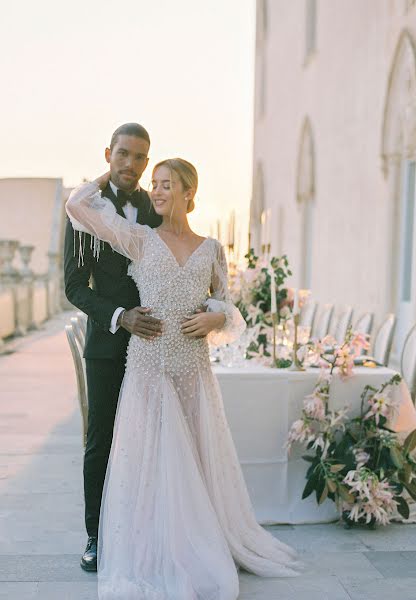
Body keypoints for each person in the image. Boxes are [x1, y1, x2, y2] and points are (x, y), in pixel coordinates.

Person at [66, 158, 302, 599]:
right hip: (148, 367)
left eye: (166, 185)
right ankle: (153, 544)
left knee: (194, 459)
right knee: (151, 461)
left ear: (189, 192)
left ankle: (201, 542)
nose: (155, 191)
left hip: (193, 370)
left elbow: (228, 306)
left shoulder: (212, 248)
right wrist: (108, 172)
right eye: (154, 184)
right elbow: (78, 205)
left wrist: (214, 319)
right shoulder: (138, 239)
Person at [63, 125, 226, 572]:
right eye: (123, 155)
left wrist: (213, 311)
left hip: (160, 345)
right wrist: (120, 316)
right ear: (109, 155)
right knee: (102, 441)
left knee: (157, 442)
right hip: (109, 341)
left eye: (140, 158)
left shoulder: (152, 205)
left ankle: (151, 528)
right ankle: (97, 536)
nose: (132, 165)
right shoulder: (87, 210)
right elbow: (75, 288)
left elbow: (178, 264)